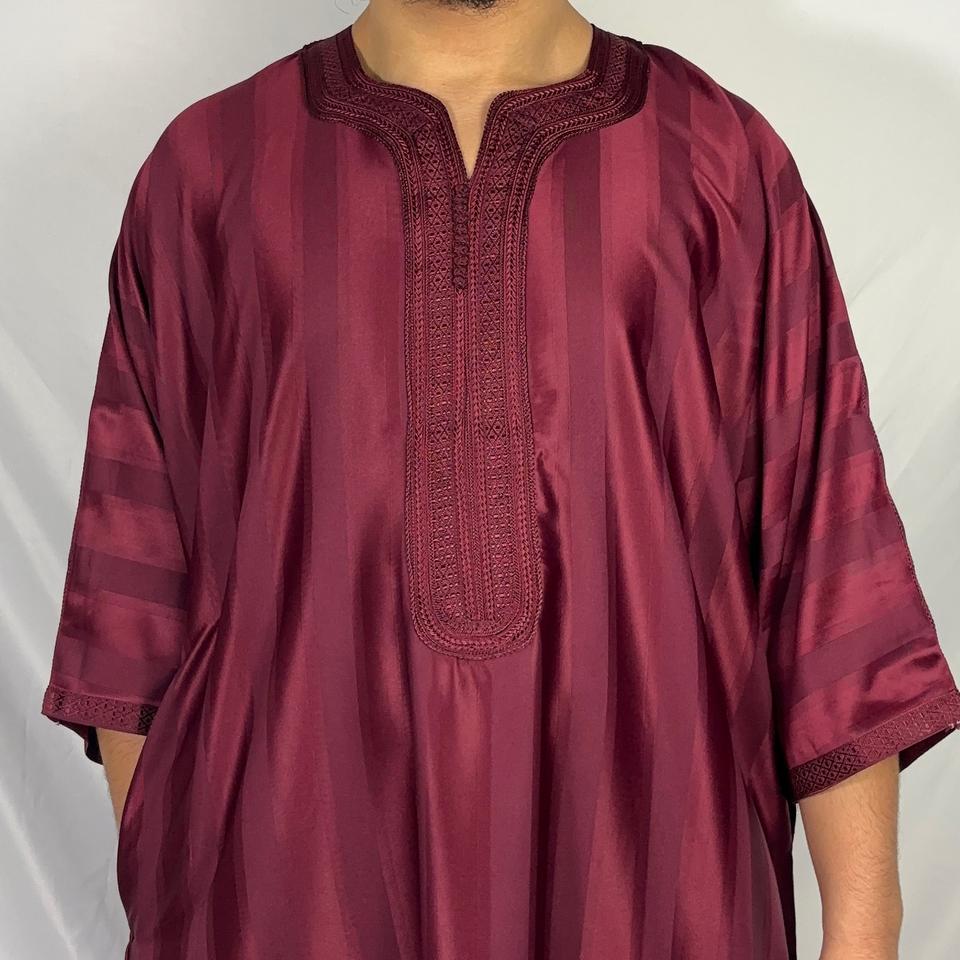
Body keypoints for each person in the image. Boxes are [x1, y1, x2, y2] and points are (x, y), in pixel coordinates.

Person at [39, 0, 960, 957]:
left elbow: (830, 567)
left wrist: (866, 933)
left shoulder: (719, 161)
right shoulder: (208, 171)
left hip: (654, 899)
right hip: (285, 910)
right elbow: (132, 611)